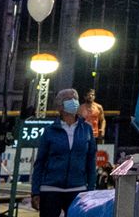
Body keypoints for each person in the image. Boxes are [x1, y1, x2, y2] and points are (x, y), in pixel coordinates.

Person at [30, 89, 94, 217]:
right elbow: (40, 163)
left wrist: (91, 189)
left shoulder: (87, 129)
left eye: (75, 98)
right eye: (70, 99)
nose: (74, 102)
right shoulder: (49, 131)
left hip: (78, 189)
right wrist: (35, 192)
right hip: (50, 189)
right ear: (60, 106)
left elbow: (91, 160)